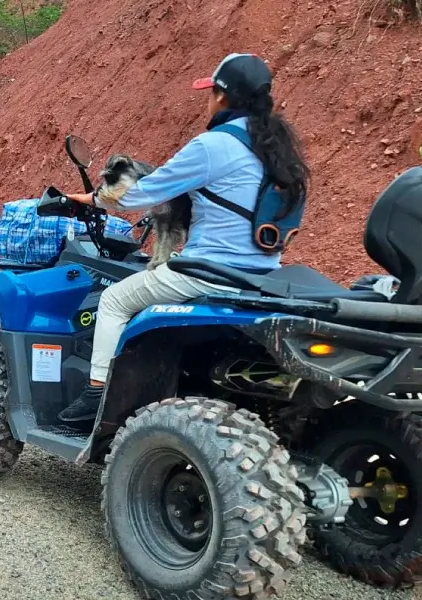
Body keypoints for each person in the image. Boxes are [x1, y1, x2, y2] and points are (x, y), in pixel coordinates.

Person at [57, 53, 311, 425]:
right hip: (262, 275)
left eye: (210, 92)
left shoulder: (214, 145)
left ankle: (97, 393)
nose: (208, 100)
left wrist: (91, 199)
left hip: (210, 272)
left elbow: (140, 192)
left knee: (113, 300)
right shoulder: (277, 147)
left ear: (221, 96)